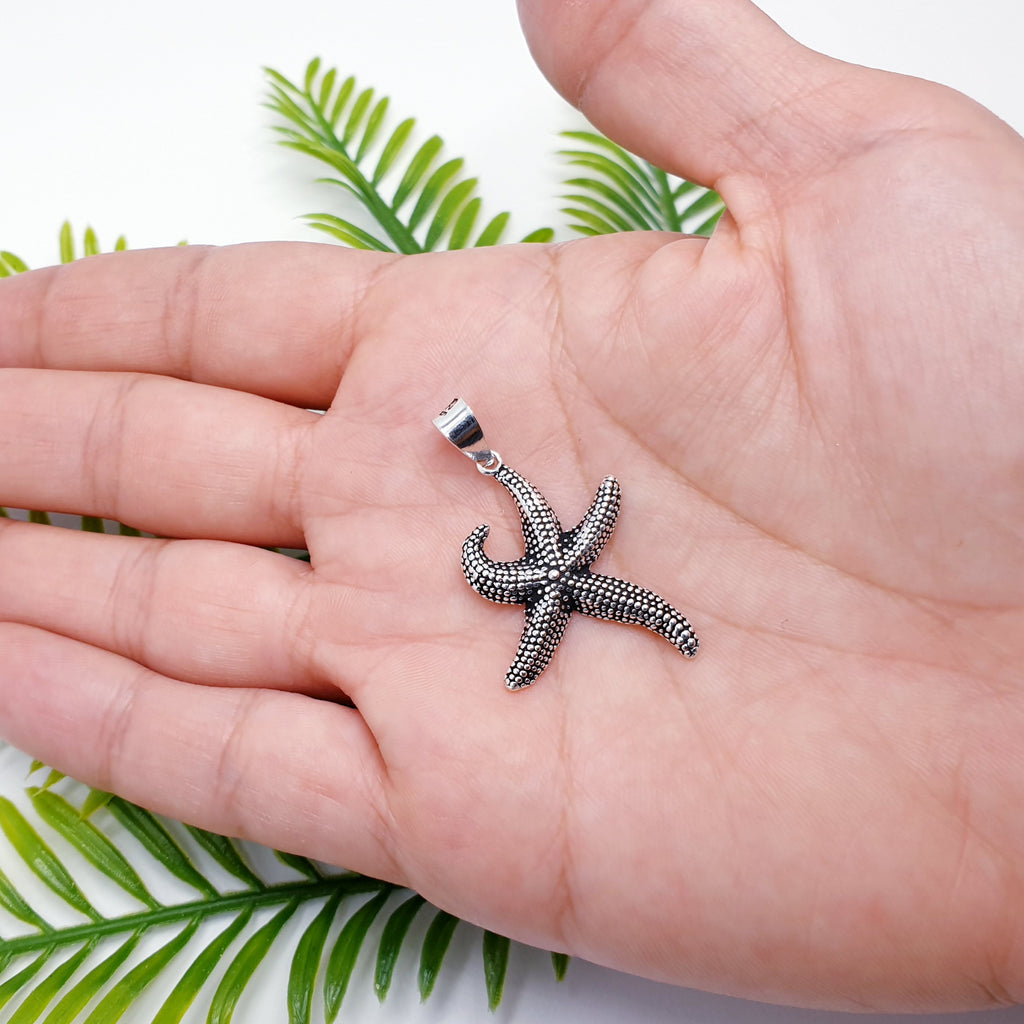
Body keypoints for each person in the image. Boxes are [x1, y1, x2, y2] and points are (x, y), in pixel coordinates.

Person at [1, 0, 1022, 1011]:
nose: (548, 568)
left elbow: (552, 556)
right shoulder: (549, 565)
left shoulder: (553, 564)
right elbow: (539, 560)